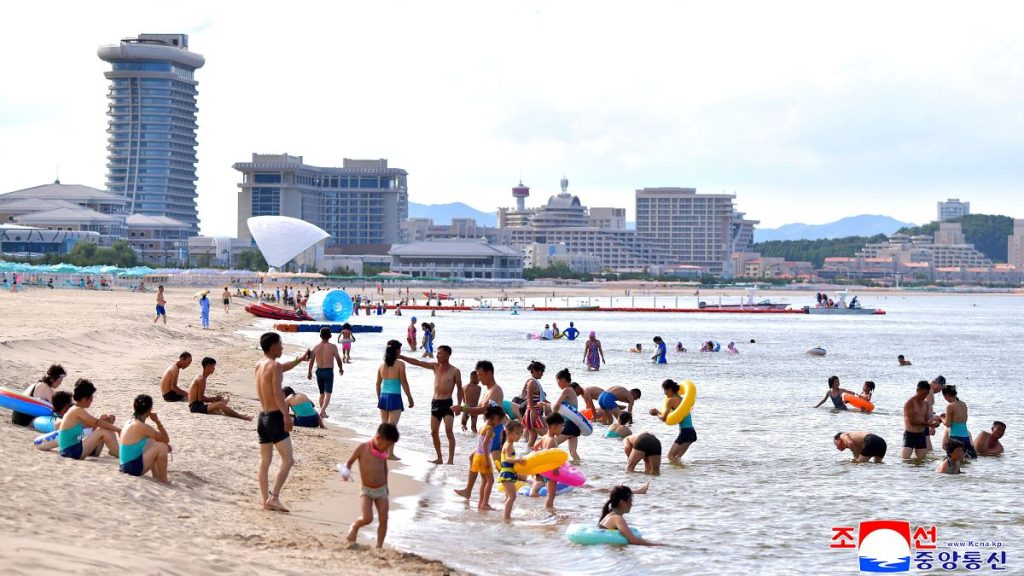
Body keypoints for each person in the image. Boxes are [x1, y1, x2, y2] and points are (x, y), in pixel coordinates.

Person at [255, 331, 311, 513]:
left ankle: (265, 499)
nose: (282, 347)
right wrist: (286, 415)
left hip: (263, 417)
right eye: (280, 344)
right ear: (273, 346)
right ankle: (274, 498)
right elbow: (278, 393)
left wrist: (300, 359)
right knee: (288, 459)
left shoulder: (260, 364)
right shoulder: (275, 366)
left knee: (265, 461)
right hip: (274, 417)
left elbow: (281, 369)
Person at [400, 344, 464, 465]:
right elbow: (418, 362)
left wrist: (459, 405)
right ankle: (439, 458)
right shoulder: (435, 366)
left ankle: (450, 460)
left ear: (447, 355)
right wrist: (401, 357)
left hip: (447, 404)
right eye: (437, 353)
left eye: (440, 353)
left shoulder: (455, 371)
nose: (437, 355)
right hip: (435, 403)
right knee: (434, 432)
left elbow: (460, 389)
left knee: (449, 430)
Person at [341, 423, 400, 548]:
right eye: (387, 445)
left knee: (384, 518)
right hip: (366, 490)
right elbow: (349, 462)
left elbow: (384, 468)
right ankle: (355, 526)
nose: (388, 448)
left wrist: (386, 486)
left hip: (382, 490)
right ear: (379, 438)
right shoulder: (362, 448)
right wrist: (346, 472)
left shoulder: (382, 451)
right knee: (367, 518)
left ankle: (379, 546)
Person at [453, 360, 505, 500]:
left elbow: (483, 410)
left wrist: (462, 409)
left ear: (489, 373)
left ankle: (515, 489)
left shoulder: (496, 390)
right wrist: (463, 408)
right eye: (478, 375)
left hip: (495, 432)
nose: (479, 378)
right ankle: (470, 492)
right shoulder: (487, 391)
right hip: (489, 431)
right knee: (482, 460)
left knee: (498, 466)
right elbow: (479, 409)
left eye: (481, 375)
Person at [57, 379, 121, 460]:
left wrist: (108, 420)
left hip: (71, 450)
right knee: (104, 431)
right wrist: (119, 430)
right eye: (91, 397)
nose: (92, 400)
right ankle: (119, 453)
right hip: (70, 451)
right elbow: (98, 423)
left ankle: (114, 451)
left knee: (105, 428)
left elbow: (95, 424)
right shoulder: (77, 410)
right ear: (84, 399)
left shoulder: (75, 409)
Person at [118, 394, 171, 483]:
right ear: (149, 410)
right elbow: (166, 438)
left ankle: (156, 475)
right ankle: (163, 479)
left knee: (152, 441)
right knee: (162, 447)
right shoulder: (141, 426)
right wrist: (157, 421)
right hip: (131, 468)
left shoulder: (130, 421)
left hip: (125, 465)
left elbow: (156, 439)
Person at [376, 340, 415, 461]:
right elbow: (404, 382)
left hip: (383, 396)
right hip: (394, 397)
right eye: (400, 349)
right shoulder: (400, 364)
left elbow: (378, 384)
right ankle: (390, 454)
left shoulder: (381, 366)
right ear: (397, 351)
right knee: (391, 427)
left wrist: (379, 398)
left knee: (384, 426)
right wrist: (409, 397)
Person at [650, 379, 696, 463]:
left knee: (670, 456)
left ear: (670, 389)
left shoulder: (670, 401)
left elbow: (664, 418)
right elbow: (671, 415)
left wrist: (656, 414)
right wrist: (659, 412)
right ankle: (682, 471)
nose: (664, 393)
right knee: (677, 458)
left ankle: (680, 470)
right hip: (692, 433)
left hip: (685, 432)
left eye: (665, 390)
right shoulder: (681, 399)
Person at [468, 405, 505, 511]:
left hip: (477, 456)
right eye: (499, 420)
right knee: (490, 480)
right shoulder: (490, 430)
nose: (500, 422)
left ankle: (481, 503)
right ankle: (485, 503)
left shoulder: (484, 426)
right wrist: (487, 460)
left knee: (484, 480)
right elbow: (484, 445)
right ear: (494, 418)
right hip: (483, 457)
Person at [307, 327, 344, 419]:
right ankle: (323, 410)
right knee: (328, 394)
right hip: (328, 372)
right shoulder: (333, 347)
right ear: (330, 336)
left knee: (321, 393)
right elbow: (338, 359)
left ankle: (322, 412)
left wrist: (309, 372)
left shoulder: (316, 347)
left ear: (320, 336)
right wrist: (341, 368)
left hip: (319, 372)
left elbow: (311, 361)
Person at [533, 413, 565, 510]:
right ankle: (550, 510)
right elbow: (551, 457)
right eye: (561, 426)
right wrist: (556, 468)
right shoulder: (552, 441)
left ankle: (549, 508)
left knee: (550, 493)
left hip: (545, 470)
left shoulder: (544, 437)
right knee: (551, 495)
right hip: (551, 471)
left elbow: (535, 447)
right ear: (554, 427)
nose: (563, 429)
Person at [937, 385, 978, 459]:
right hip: (965, 437)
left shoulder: (950, 406)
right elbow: (963, 420)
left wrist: (942, 418)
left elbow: (948, 424)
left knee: (952, 460)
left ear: (946, 395)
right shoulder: (963, 404)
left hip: (955, 438)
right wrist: (948, 416)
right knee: (966, 460)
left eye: (944, 396)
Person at [901, 381, 938, 460]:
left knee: (921, 461)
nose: (924, 396)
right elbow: (912, 421)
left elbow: (926, 420)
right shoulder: (910, 403)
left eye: (926, 394)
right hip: (910, 435)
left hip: (921, 435)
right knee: (905, 460)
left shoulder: (926, 404)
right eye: (923, 393)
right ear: (917, 390)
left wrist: (934, 423)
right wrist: (928, 424)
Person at [498, 421, 527, 520]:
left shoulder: (508, 444)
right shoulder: (508, 445)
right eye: (517, 433)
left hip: (508, 473)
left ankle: (505, 514)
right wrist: (518, 460)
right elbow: (507, 458)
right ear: (508, 432)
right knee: (512, 496)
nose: (519, 436)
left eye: (521, 434)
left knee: (508, 496)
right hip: (507, 474)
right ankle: (507, 517)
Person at [552, 372, 583, 462]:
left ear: (562, 380)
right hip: (575, 425)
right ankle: (579, 467)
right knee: (573, 453)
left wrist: (553, 416)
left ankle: (554, 465)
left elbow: (557, 405)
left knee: (551, 444)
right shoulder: (571, 390)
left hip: (569, 425)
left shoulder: (566, 390)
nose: (557, 384)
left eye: (557, 381)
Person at [518, 361, 549, 447]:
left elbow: (541, 399)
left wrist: (552, 405)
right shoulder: (532, 383)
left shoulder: (534, 382)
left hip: (532, 412)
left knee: (533, 437)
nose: (542, 374)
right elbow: (529, 399)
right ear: (535, 371)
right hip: (533, 412)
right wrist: (533, 411)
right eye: (541, 371)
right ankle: (547, 449)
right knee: (546, 433)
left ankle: (527, 452)